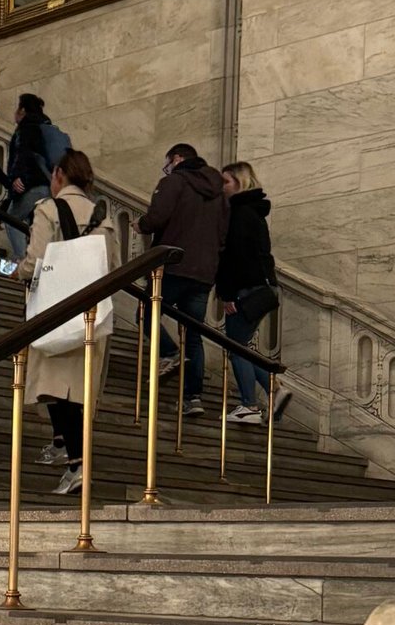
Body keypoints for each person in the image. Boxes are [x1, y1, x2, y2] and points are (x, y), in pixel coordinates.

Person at [19, 150, 117, 494]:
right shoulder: (102, 215)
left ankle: (77, 466)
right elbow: (113, 265)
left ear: (59, 173)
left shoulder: (48, 209)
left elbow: (36, 258)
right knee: (76, 390)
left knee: (56, 388)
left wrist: (19, 271)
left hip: (57, 309)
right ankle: (64, 447)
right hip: (90, 314)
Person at [138, 142, 227, 418]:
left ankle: (170, 353)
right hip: (204, 273)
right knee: (194, 334)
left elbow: (157, 216)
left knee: (145, 312)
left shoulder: (173, 182)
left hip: (174, 265)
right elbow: (223, 235)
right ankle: (193, 398)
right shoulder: (220, 193)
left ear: (177, 159)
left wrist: (141, 224)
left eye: (168, 162)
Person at [217, 161, 291, 425]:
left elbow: (233, 258)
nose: (221, 187)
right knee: (241, 347)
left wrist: (227, 294)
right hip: (263, 286)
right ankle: (275, 389)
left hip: (246, 288)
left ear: (239, 183)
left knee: (236, 348)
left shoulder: (240, 214)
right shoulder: (254, 213)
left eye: (225, 181)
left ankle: (249, 404)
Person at [0, 94, 70, 265]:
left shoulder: (26, 128)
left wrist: (16, 177)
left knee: (12, 219)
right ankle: (37, 266)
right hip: (49, 185)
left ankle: (20, 261)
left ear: (22, 110)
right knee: (35, 226)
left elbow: (23, 155)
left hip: (33, 184)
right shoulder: (47, 128)